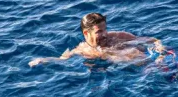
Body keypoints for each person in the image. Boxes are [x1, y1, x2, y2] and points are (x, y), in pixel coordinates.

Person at [29, 12, 164, 67]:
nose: (105, 34)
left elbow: (152, 40)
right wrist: (43, 60)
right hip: (144, 67)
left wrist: (160, 48)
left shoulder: (118, 36)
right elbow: (62, 59)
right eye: (100, 31)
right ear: (86, 33)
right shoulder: (82, 50)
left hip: (154, 59)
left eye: (105, 29)